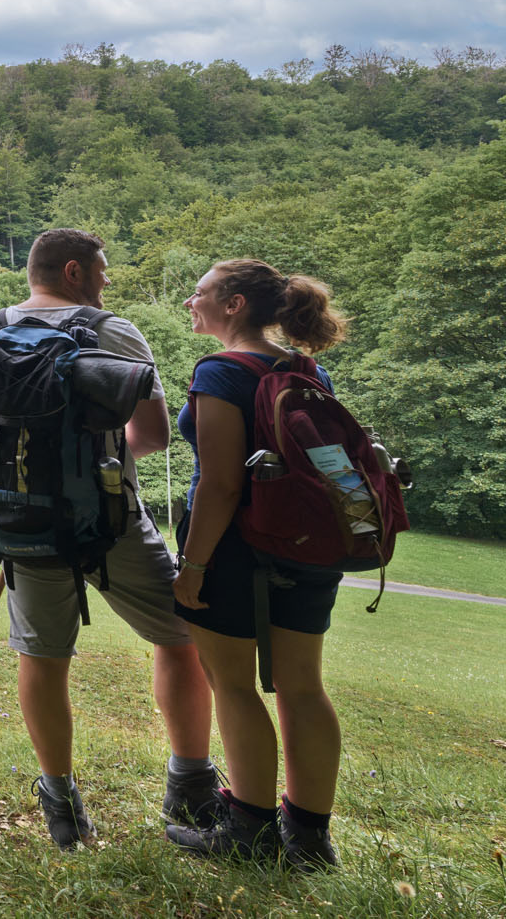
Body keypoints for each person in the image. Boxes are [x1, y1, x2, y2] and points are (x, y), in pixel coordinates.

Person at [0, 229, 218, 851]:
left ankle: (60, 800)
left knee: (42, 657)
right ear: (75, 271)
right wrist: (93, 467)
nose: (108, 283)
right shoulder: (113, 331)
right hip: (111, 519)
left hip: (21, 524)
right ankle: (189, 782)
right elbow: (155, 433)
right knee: (182, 637)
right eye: (102, 272)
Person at [166, 259, 350, 870]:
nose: (190, 302)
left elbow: (219, 485)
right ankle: (310, 838)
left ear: (234, 304)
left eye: (199, 293)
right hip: (307, 544)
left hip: (234, 550)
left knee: (234, 685)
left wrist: (193, 566)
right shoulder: (306, 368)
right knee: (303, 687)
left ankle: (248, 828)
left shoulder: (220, 371)